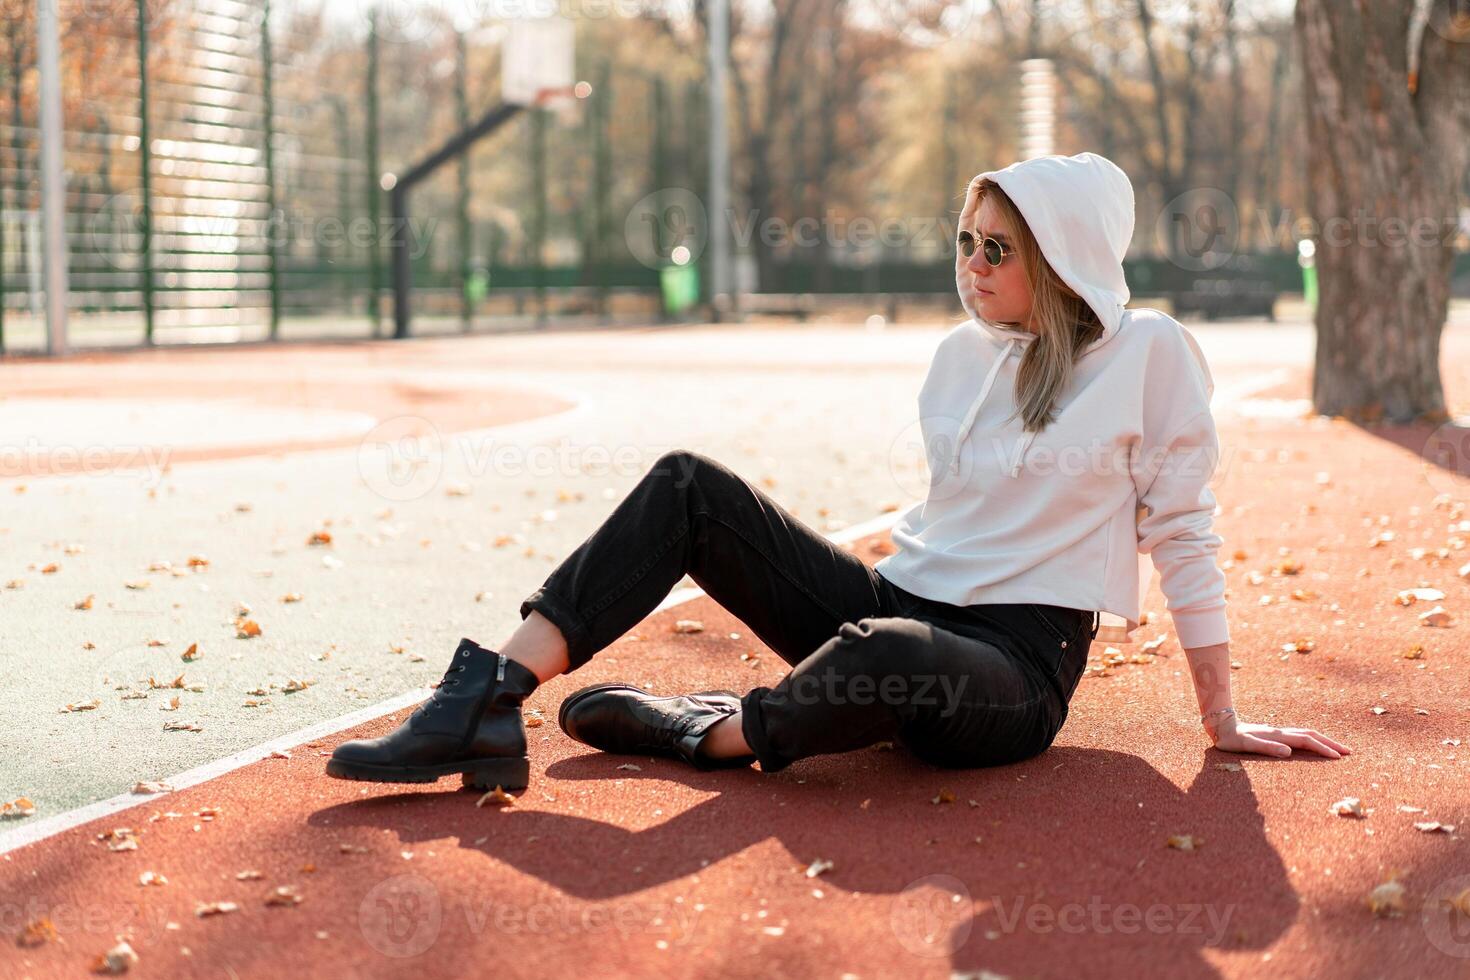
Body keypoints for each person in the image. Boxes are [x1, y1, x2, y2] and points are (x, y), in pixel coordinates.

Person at [325, 151, 1350, 792]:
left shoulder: (1148, 353)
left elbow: (1184, 530)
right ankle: (487, 697)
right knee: (689, 484)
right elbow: (955, 530)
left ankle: (704, 734)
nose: (972, 263)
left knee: (883, 647)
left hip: (1013, 665)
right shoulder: (961, 358)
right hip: (896, 600)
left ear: (1064, 257)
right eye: (966, 240)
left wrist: (1222, 720)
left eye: (999, 246)